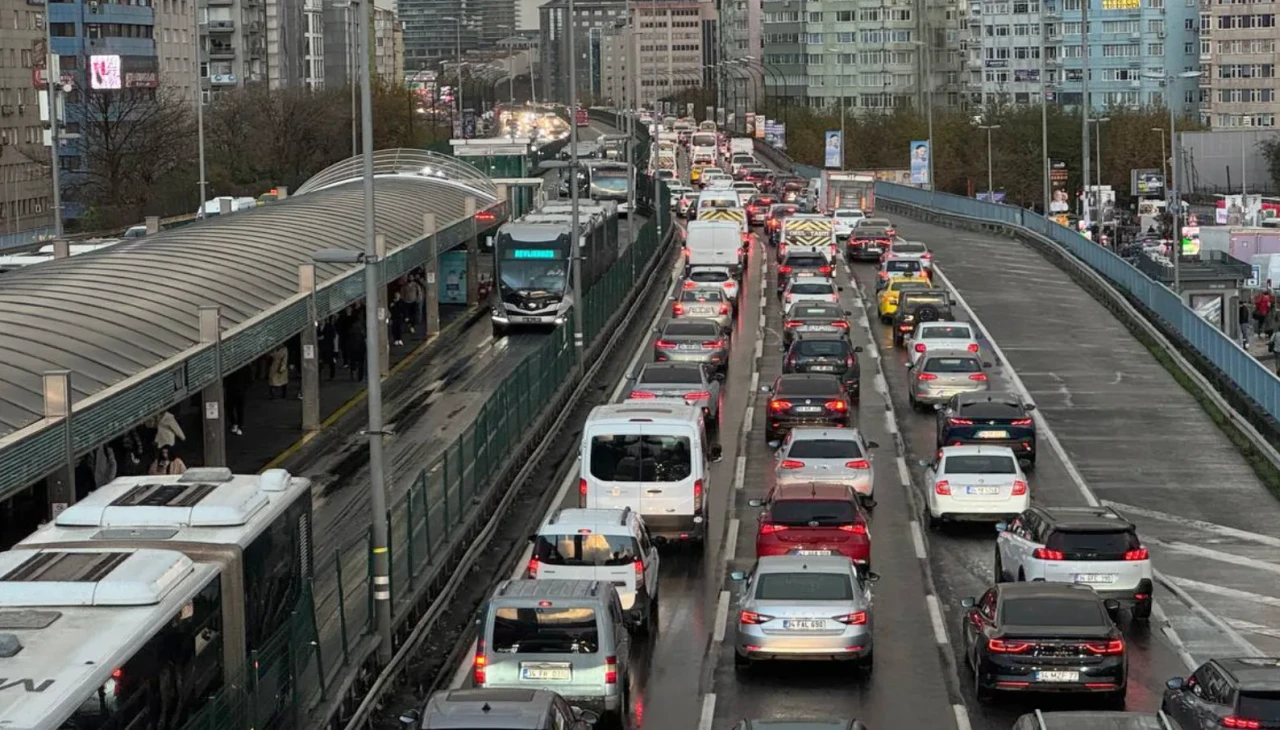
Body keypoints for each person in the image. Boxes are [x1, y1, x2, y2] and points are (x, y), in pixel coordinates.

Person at [226, 366, 251, 436]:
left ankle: (235, 424)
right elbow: (249, 380)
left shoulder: (230, 367)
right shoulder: (245, 367)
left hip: (231, 391)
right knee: (239, 409)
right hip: (240, 390)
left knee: (231, 408)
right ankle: (239, 426)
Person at [318, 316, 339, 380]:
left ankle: (331, 375)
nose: (320, 321)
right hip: (320, 348)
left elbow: (333, 335)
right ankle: (319, 376)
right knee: (320, 362)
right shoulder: (317, 328)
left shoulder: (329, 326)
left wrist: (324, 337)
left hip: (329, 347)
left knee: (330, 362)